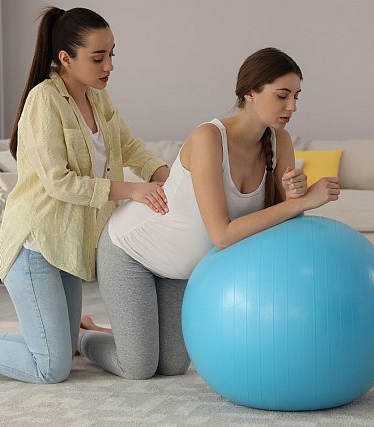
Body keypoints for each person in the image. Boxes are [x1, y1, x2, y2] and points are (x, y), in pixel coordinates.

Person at [0, 6, 171, 383]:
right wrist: (132, 190)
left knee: (56, 349)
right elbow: (60, 181)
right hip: (34, 245)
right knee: (50, 367)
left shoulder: (98, 100)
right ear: (66, 59)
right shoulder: (44, 101)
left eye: (112, 54)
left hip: (66, 248)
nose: (109, 66)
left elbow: (131, 146)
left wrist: (169, 176)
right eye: (98, 57)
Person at [79, 47, 340, 380]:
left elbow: (278, 231)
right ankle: (83, 336)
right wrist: (301, 203)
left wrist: (293, 197)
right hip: (131, 251)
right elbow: (223, 234)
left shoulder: (281, 140)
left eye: (296, 97)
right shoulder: (209, 138)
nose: (292, 107)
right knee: (139, 366)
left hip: (178, 269)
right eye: (282, 95)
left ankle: (107, 331)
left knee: (173, 365)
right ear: (250, 92)